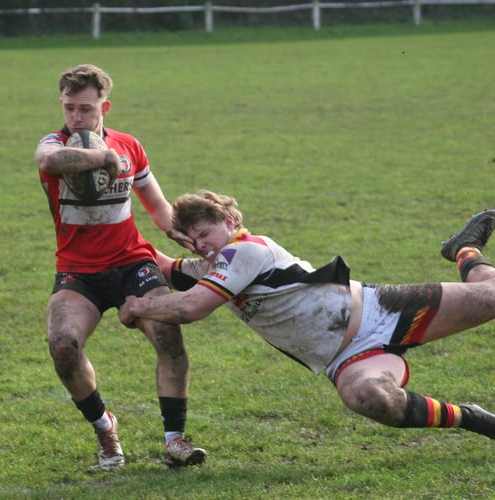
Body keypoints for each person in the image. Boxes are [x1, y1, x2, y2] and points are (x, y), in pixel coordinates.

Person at [120, 190, 495, 442]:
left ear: (231, 222)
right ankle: (473, 417)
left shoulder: (246, 251)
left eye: (206, 233)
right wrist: (115, 236)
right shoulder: (213, 266)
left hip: (383, 312)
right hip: (347, 359)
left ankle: (464, 250)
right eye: (194, 240)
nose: (202, 245)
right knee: (373, 400)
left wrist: (137, 306)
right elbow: (164, 266)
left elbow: (191, 307)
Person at [35, 64, 207, 470]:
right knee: (62, 345)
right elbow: (47, 158)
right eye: (69, 108)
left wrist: (181, 233)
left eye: (86, 109)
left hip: (133, 263)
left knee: (168, 335)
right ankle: (104, 428)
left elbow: (158, 206)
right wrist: (101, 156)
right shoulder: (54, 144)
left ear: (104, 107)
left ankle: (175, 440)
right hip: (79, 272)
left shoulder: (130, 145)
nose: (76, 117)